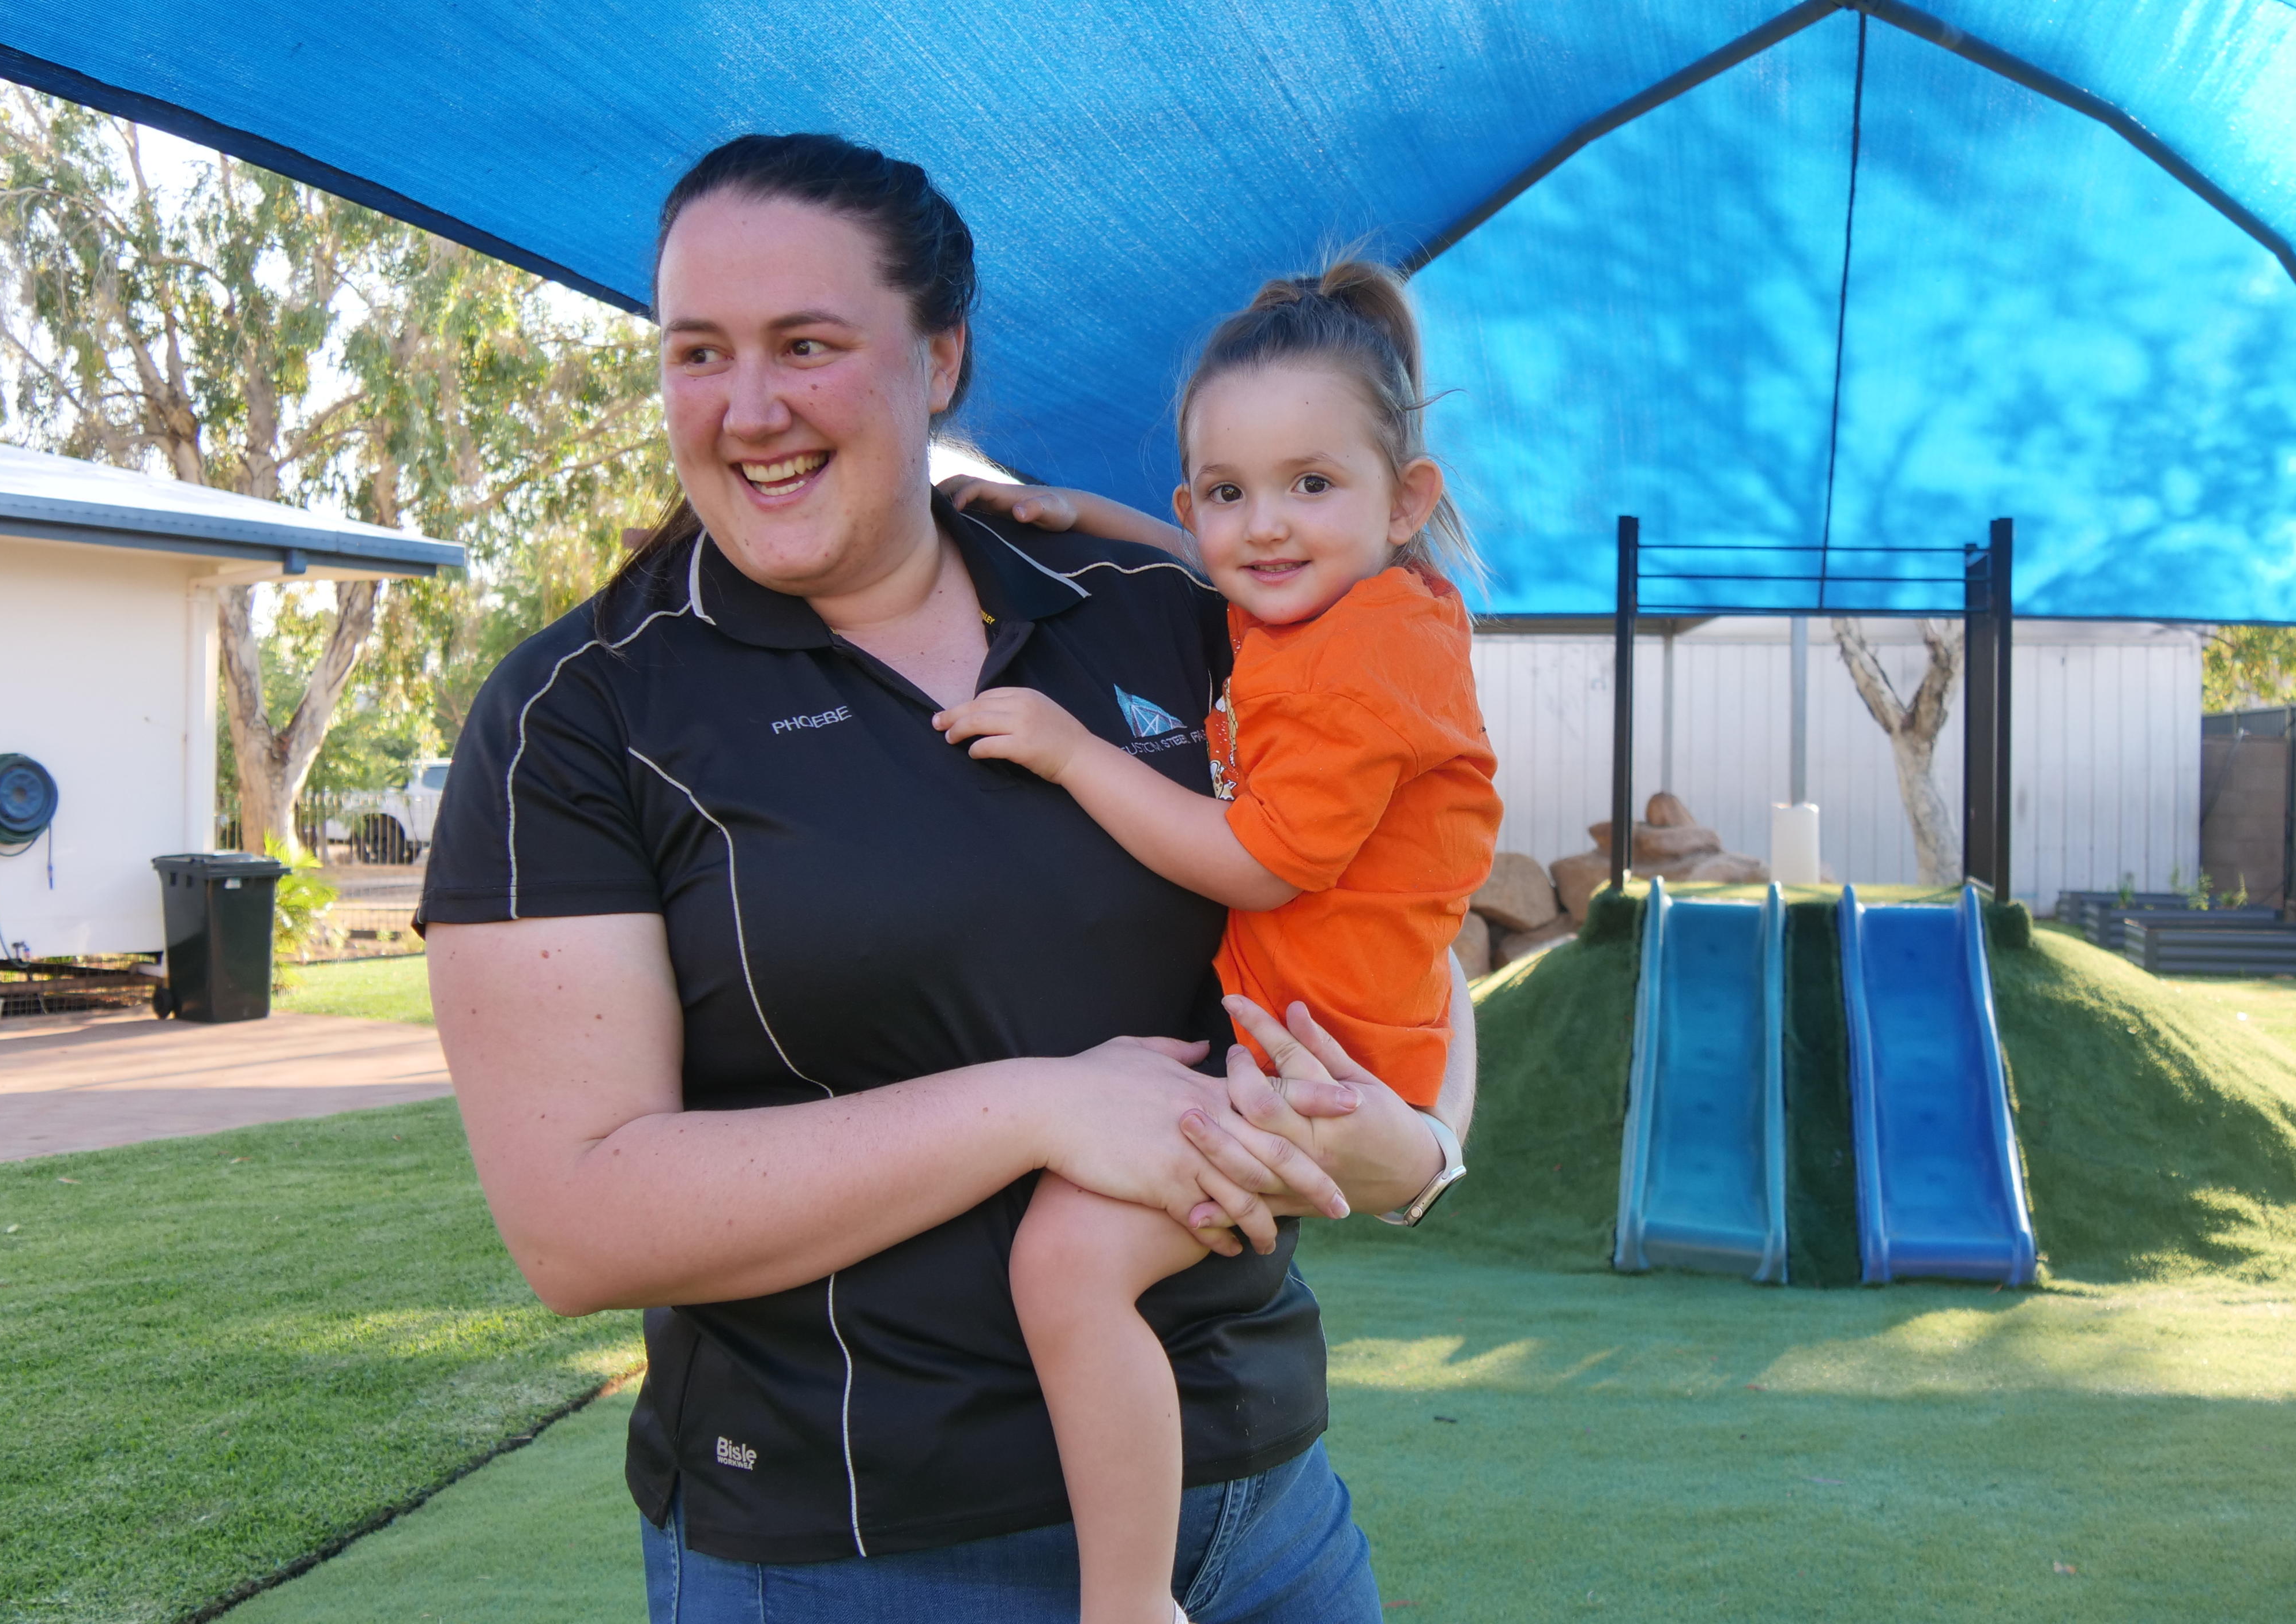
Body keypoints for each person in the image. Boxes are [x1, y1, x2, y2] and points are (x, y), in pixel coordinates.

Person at [418, 134, 1471, 1623]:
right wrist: (1041, 1104)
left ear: (942, 358)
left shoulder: (1170, 617)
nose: (751, 406)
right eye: (699, 352)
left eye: (808, 345)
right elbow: (579, 1221)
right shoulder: (580, 720)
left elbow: (1404, 910)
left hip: (1262, 1517)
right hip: (869, 1559)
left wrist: (1422, 1150)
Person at [936, 262, 1500, 1624]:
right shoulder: (1355, 601)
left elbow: (1255, 856)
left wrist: (1075, 755)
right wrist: (1092, 517)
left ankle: (1128, 1599)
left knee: (1064, 1268)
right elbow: (1238, 565)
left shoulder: (1364, 668)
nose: (1265, 526)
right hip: (1325, 1021)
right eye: (1225, 491)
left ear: (1405, 500)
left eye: (1312, 484)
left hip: (1321, 1059)